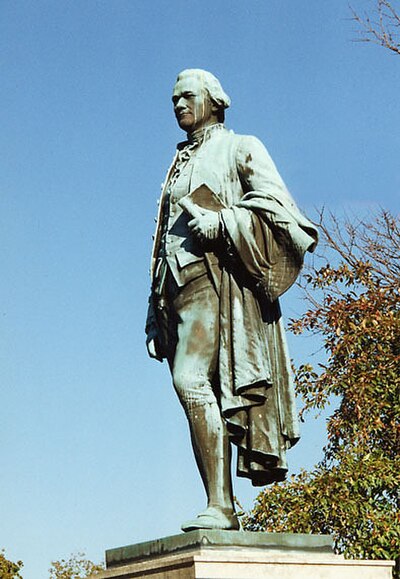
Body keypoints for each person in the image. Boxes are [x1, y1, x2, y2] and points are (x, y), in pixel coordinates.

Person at [145, 69, 318, 532]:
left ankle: (221, 505)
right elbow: (162, 238)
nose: (178, 104)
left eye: (187, 96)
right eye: (173, 98)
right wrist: (152, 314)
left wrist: (224, 224)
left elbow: (281, 211)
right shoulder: (179, 161)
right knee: (195, 388)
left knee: (189, 380)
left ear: (214, 100)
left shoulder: (242, 147)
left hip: (218, 285)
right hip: (176, 292)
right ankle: (220, 503)